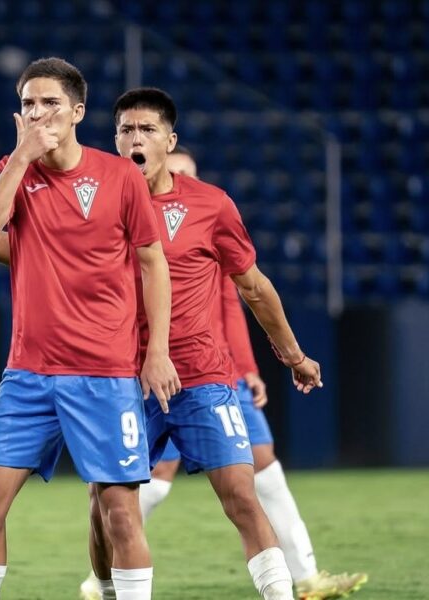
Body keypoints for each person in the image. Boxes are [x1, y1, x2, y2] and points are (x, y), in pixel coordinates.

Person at [80, 147, 368, 600]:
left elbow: (237, 301)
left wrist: (254, 366)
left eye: (186, 174)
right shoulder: (110, 209)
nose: (178, 182)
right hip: (130, 379)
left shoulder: (207, 213)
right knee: (113, 500)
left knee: (256, 478)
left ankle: (304, 578)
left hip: (210, 376)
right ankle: (101, 584)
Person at [0, 57, 180, 600]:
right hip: (28, 372)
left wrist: (158, 353)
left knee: (119, 513)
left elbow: (153, 263)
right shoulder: (13, 170)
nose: (38, 113)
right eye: (29, 103)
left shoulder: (121, 176)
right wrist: (20, 159)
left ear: (77, 111)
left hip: (104, 372)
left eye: (50, 103)